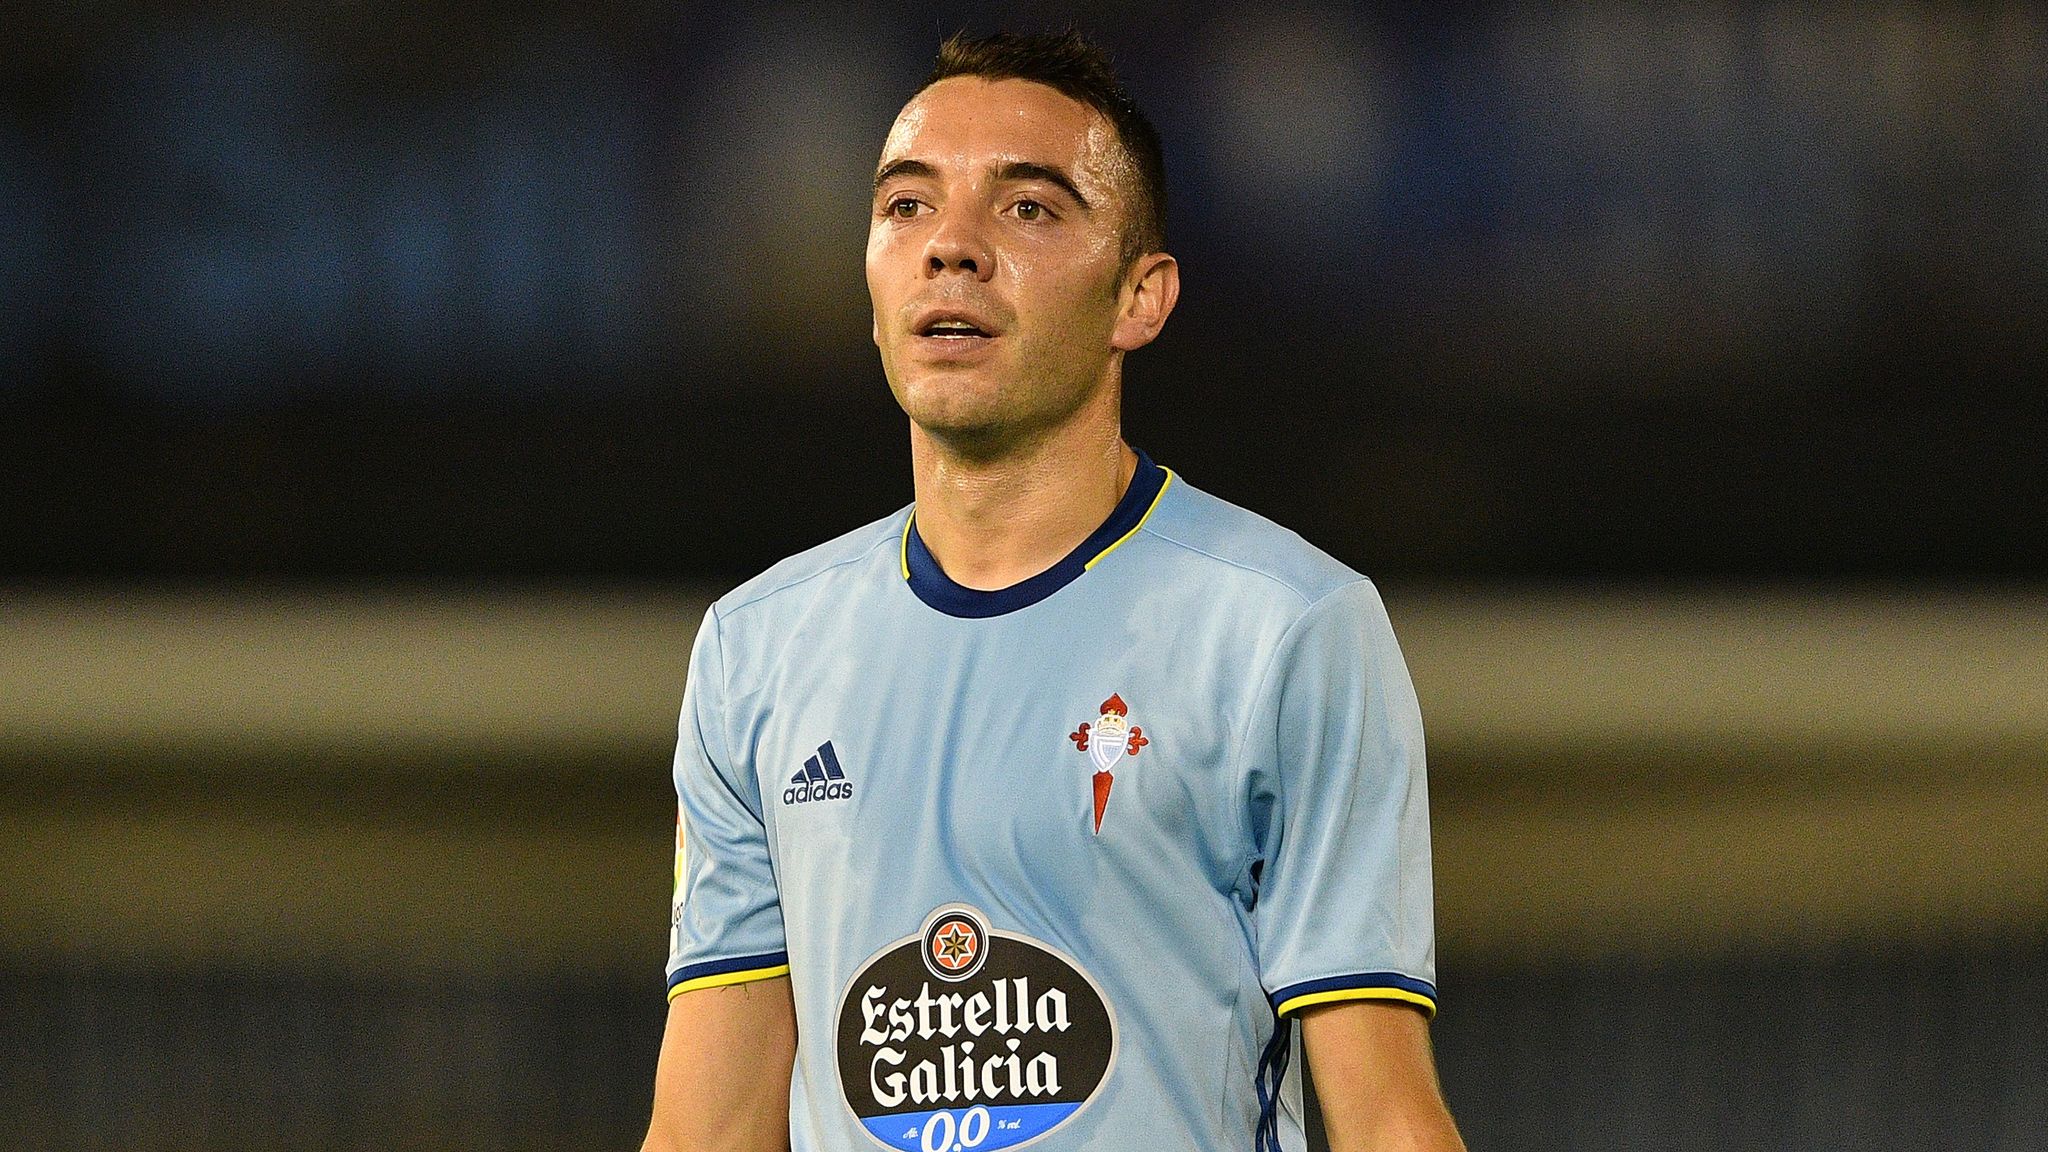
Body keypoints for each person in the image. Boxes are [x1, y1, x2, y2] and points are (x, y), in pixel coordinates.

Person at [643, 29, 1464, 1152]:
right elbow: (705, 1130)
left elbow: (1382, 1118)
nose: (952, 249)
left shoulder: (1283, 629)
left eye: (1026, 209)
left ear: (1141, 297)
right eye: (906, 208)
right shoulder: (756, 650)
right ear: (870, 281)